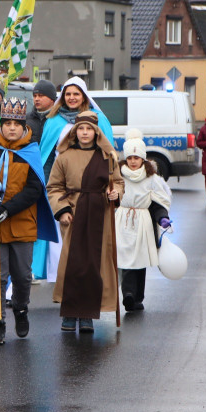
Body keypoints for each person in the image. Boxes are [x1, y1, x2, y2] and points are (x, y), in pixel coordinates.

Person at [0, 98, 57, 345]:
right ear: (0, 124)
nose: (12, 128)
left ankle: (21, 309)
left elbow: (34, 189)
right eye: (7, 123)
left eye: (17, 123)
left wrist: (9, 208)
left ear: (24, 125)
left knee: (22, 275)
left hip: (22, 221)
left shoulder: (30, 151)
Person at [46, 111, 124, 333]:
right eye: (81, 129)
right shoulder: (64, 157)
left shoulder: (108, 157)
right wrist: (61, 210)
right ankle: (70, 312)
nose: (85, 133)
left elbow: (118, 182)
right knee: (74, 262)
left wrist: (115, 193)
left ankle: (88, 314)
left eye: (89, 129)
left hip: (99, 214)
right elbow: (54, 187)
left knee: (93, 262)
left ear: (96, 131)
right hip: (73, 212)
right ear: (75, 131)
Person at [115, 129, 172, 312]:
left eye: (136, 158)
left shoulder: (151, 178)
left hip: (142, 222)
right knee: (126, 259)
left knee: (139, 260)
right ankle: (129, 295)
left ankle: (138, 297)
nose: (132, 161)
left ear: (143, 159)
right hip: (122, 221)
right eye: (130, 157)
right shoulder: (118, 175)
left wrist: (162, 218)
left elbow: (158, 202)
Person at [38, 76, 114, 179]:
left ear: (84, 97)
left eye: (76, 94)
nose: (71, 98)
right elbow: (47, 157)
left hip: (90, 180)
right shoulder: (53, 121)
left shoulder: (98, 119)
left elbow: (107, 154)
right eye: (68, 94)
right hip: (60, 180)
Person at [26, 80, 57, 144]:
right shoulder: (27, 118)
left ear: (52, 99)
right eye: (35, 96)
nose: (36, 99)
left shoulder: (58, 119)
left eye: (41, 96)